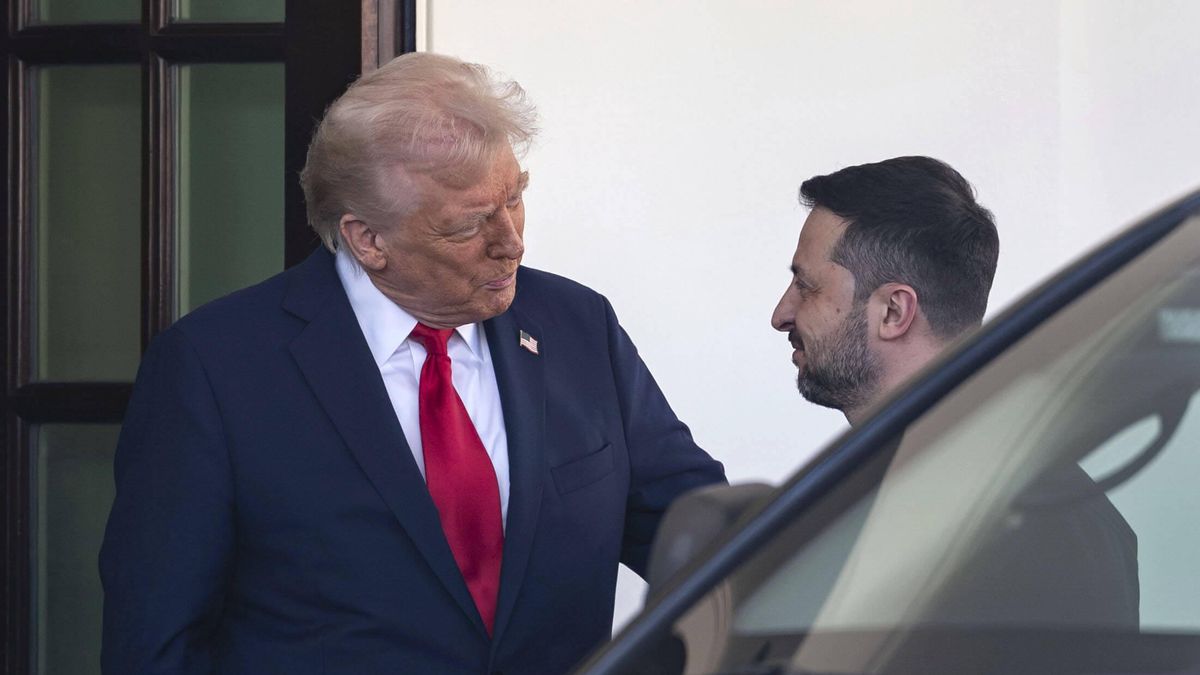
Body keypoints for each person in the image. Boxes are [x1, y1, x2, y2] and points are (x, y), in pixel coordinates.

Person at [100, 52, 725, 675]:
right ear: (367, 239)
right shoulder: (216, 367)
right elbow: (157, 643)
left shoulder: (576, 326)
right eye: (469, 225)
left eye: (515, 199)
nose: (511, 240)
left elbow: (697, 530)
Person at [770, 155, 1138, 627]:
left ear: (893, 313)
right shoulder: (876, 496)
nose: (781, 313)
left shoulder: (1048, 533)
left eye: (806, 286)